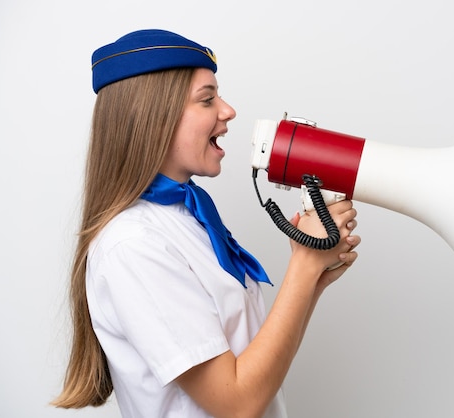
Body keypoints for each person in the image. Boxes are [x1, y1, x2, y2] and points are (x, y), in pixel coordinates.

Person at [52, 29, 360, 418]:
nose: (228, 110)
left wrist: (314, 277)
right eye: (207, 99)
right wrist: (303, 265)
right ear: (152, 118)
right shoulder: (133, 244)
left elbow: (253, 358)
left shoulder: (186, 219)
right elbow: (236, 402)